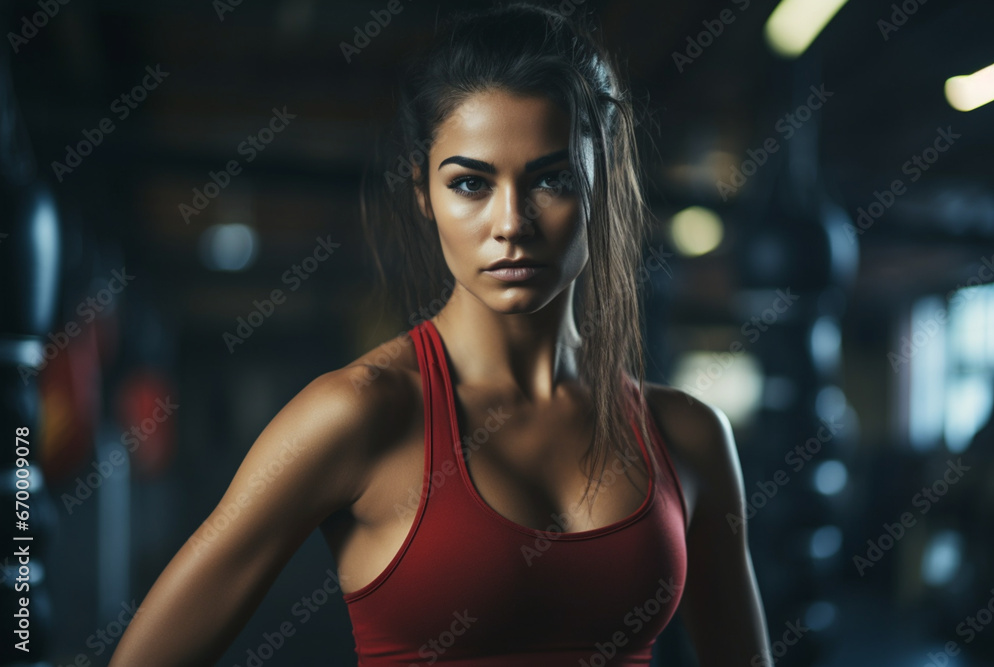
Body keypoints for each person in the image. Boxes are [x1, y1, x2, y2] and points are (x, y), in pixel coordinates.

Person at [109, 3, 773, 665]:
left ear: (603, 183)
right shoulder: (359, 413)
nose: (511, 221)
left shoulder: (690, 435)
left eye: (552, 178)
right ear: (425, 194)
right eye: (471, 183)